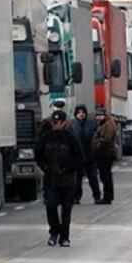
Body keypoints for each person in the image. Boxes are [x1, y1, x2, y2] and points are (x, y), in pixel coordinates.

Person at [34, 110, 84, 247]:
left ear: (63, 123)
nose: (54, 125)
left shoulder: (71, 139)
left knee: (66, 210)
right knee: (50, 206)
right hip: (51, 180)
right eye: (53, 122)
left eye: (56, 122)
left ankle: (64, 237)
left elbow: (79, 158)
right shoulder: (46, 138)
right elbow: (38, 154)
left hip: (67, 181)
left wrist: (69, 169)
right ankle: (54, 232)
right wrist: (45, 167)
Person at [70, 105, 100, 204]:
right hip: (77, 156)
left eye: (83, 112)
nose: (81, 114)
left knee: (93, 178)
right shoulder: (72, 124)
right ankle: (76, 197)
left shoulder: (91, 123)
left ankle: (97, 196)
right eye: (79, 112)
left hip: (90, 154)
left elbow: (97, 136)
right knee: (77, 179)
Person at [91, 108, 118, 204]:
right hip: (103, 154)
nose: (98, 117)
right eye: (97, 116)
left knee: (106, 176)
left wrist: (96, 146)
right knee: (104, 176)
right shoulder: (103, 124)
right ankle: (107, 196)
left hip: (105, 154)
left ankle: (108, 197)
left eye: (100, 115)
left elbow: (106, 139)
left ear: (104, 116)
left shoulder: (108, 124)